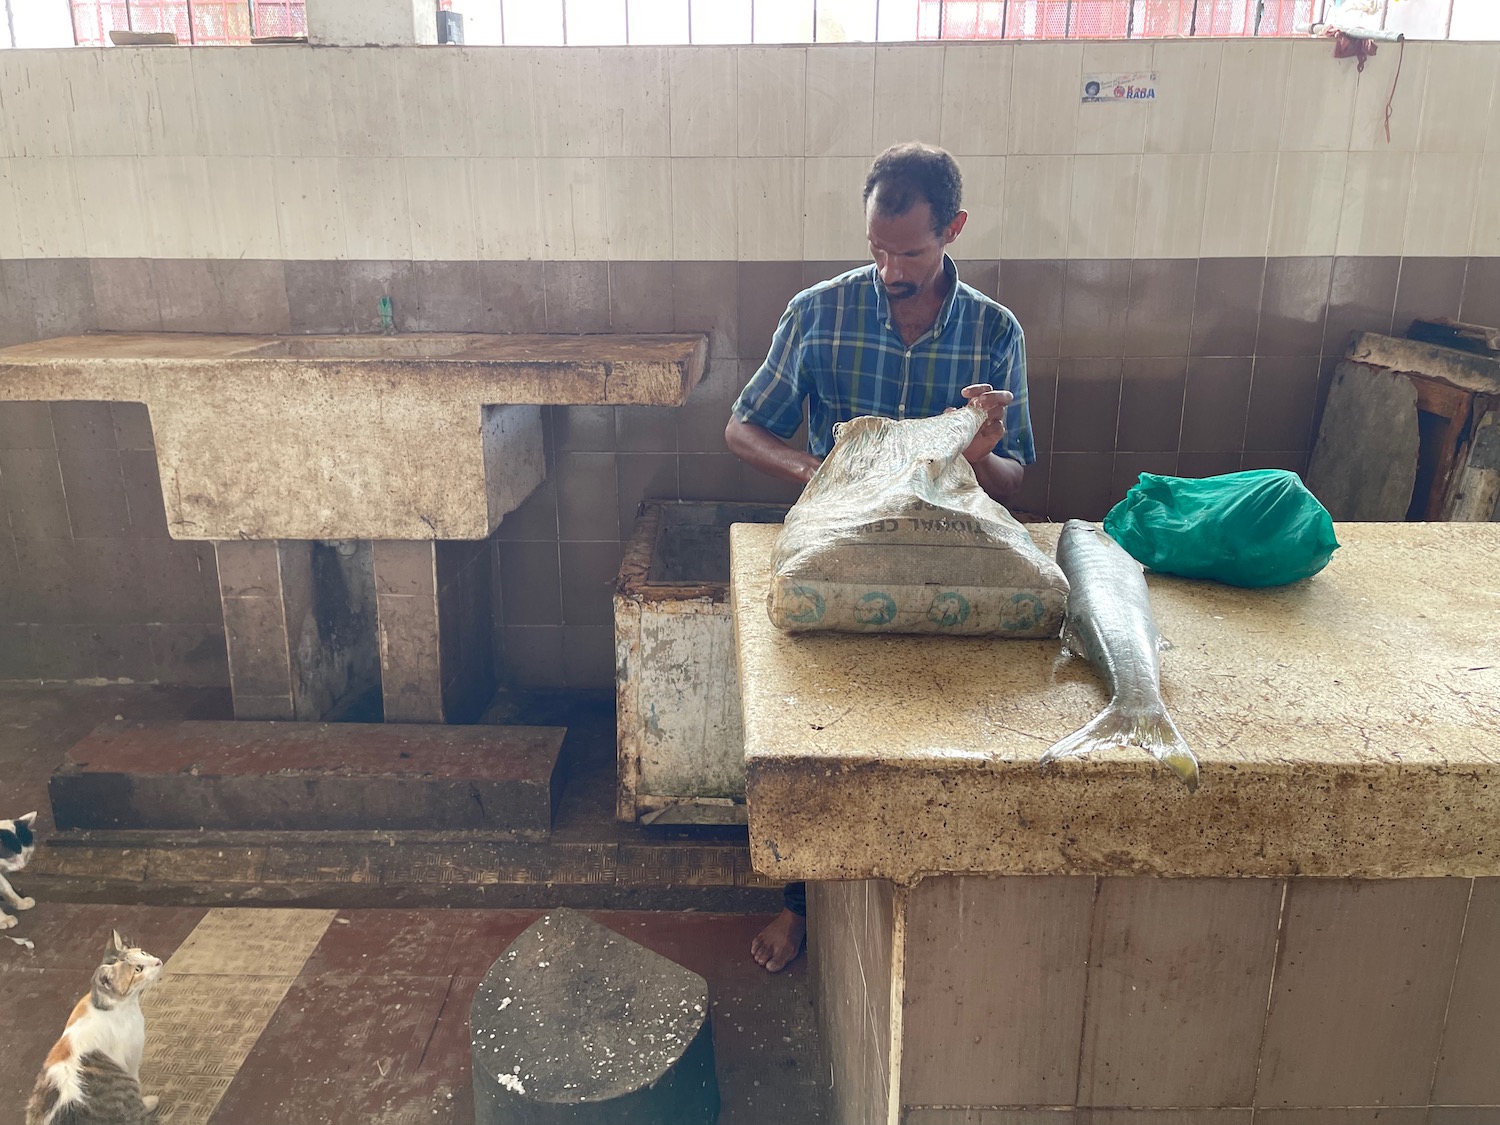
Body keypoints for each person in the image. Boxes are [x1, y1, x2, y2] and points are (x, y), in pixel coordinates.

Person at [725, 142, 1034, 973]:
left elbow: (1013, 482)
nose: (891, 267)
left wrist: (983, 447)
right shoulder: (818, 313)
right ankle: (800, 904)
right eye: (877, 247)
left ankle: (925, 899)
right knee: (819, 730)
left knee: (933, 727)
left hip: (942, 560)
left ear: (954, 229)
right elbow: (742, 426)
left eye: (910, 251)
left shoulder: (994, 332)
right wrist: (819, 472)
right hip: (840, 551)